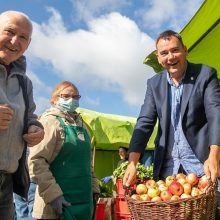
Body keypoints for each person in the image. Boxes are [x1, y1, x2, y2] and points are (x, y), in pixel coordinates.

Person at [123, 30, 220, 215]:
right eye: (164, 53)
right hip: (167, 172)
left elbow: (216, 113)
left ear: (185, 50)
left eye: (175, 50)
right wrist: (133, 162)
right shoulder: (154, 84)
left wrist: (214, 156)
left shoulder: (205, 75)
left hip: (201, 168)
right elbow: (145, 122)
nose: (170, 57)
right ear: (158, 58)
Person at [28, 81, 99, 220]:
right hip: (55, 206)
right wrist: (53, 194)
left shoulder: (82, 126)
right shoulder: (49, 122)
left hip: (82, 203)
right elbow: (36, 161)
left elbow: (87, 163)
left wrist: (94, 187)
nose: (71, 100)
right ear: (54, 99)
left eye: (76, 97)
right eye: (66, 96)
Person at [0, 10, 44, 219]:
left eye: (23, 37)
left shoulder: (25, 83)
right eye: (9, 32)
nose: (15, 41)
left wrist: (36, 129)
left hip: (7, 181)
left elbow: (30, 118)